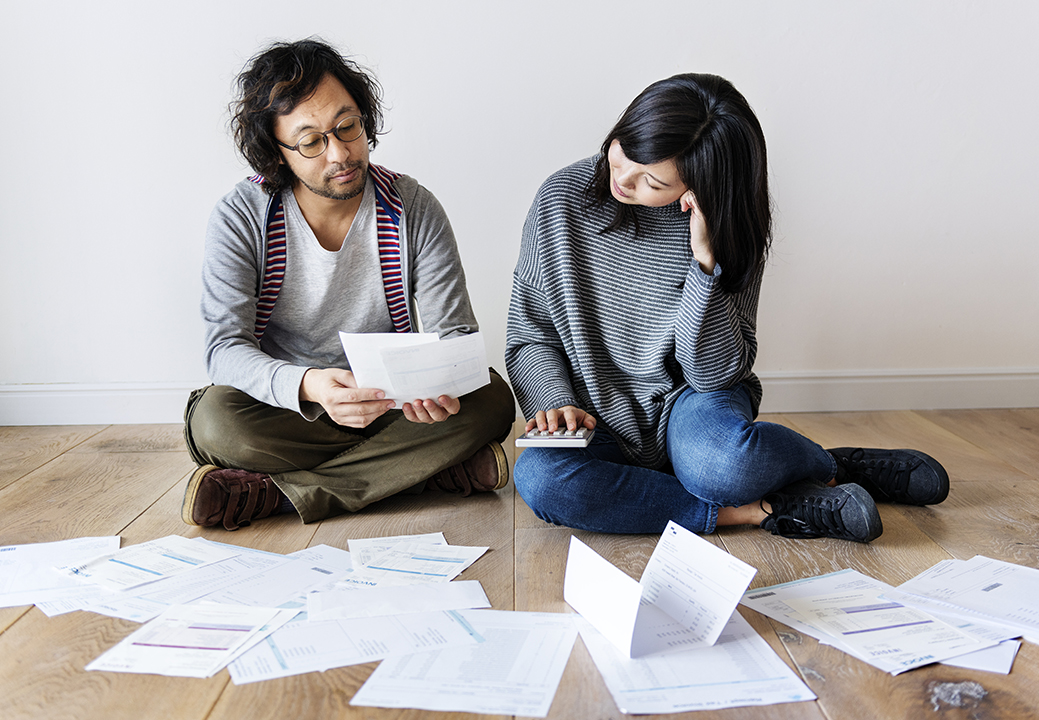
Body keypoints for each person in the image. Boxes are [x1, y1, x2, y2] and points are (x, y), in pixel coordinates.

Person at [505, 73, 949, 543]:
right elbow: (530, 334)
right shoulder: (561, 199)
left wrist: (704, 263)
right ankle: (762, 509)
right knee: (540, 478)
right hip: (595, 415)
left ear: (700, 181)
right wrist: (556, 402)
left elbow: (713, 376)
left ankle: (831, 464)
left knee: (724, 464)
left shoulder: (726, 224)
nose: (622, 177)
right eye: (623, 149)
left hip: (691, 402)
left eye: (652, 180)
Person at [182, 39, 515, 531]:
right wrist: (310, 385)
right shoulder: (241, 215)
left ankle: (277, 494)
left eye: (347, 127)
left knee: (490, 399)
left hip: (391, 402)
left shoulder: (412, 207)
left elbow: (455, 335)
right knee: (215, 420)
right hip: (291, 409)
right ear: (276, 152)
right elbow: (225, 349)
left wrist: (435, 385)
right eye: (311, 141)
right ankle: (419, 474)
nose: (339, 153)